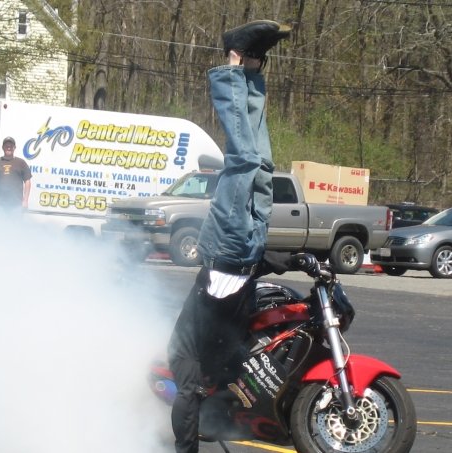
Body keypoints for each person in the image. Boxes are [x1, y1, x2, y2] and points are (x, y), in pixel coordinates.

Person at [167, 20, 299, 453]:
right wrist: (295, 261)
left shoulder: (188, 360)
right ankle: (253, 67)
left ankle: (233, 61)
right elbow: (248, 292)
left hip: (225, 249)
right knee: (261, 167)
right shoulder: (222, 364)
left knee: (242, 162)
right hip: (246, 251)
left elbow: (224, 294)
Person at [0, 136, 32, 212]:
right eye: (6, 146)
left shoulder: (21, 162)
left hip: (16, 205)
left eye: (11, 146)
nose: (9, 148)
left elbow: (27, 182)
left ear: (14, 148)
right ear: (3, 147)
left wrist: (25, 201)